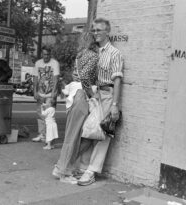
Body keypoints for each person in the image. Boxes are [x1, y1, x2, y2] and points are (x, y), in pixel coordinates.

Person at [75, 18, 124, 186]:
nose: (95, 33)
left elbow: (117, 80)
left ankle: (91, 171)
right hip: (95, 95)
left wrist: (115, 106)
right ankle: (83, 166)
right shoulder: (95, 52)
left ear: (107, 32)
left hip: (108, 95)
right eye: (94, 30)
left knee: (104, 133)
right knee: (89, 130)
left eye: (99, 30)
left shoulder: (114, 53)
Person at [52, 32, 99, 184]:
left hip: (73, 96)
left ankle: (63, 167)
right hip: (81, 96)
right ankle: (63, 172)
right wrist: (91, 94)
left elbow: (77, 74)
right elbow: (85, 76)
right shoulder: (93, 56)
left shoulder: (80, 55)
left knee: (73, 136)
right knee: (74, 137)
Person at [32, 47, 60, 142]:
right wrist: (35, 91)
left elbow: (56, 79)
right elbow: (35, 78)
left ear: (50, 54)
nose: (46, 56)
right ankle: (42, 134)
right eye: (44, 54)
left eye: (48, 54)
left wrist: (53, 93)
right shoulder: (38, 63)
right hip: (40, 93)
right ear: (42, 54)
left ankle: (49, 137)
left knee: (49, 116)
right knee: (40, 115)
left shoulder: (55, 63)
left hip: (50, 94)